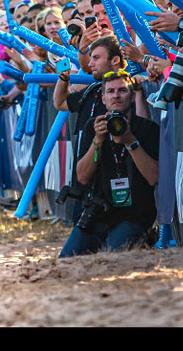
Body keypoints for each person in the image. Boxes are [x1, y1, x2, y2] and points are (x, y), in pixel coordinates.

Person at [58, 71, 159, 258]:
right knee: (66, 261)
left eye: (122, 90)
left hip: (133, 215)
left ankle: (144, 239)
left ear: (131, 94)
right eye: (111, 91)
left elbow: (154, 178)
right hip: (98, 214)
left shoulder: (147, 129)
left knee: (110, 258)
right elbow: (82, 177)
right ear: (103, 98)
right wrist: (97, 141)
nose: (116, 96)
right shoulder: (93, 127)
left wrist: (129, 141)